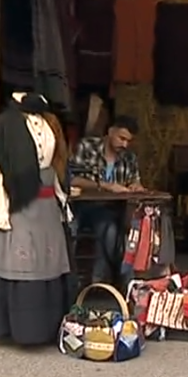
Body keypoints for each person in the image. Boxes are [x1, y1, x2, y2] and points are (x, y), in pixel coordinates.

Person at [0, 92, 74, 346]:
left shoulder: (51, 122)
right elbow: (0, 170)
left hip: (48, 205)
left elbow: (58, 165)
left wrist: (63, 201)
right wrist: (1, 212)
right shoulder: (8, 124)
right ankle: (21, 330)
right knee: (22, 263)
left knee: (49, 262)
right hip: (19, 204)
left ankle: (51, 328)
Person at [69, 115, 144, 283]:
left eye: (128, 141)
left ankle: (102, 280)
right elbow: (73, 179)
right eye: (121, 138)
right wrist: (105, 186)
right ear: (110, 132)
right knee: (70, 229)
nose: (124, 144)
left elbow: (135, 181)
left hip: (109, 209)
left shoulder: (129, 157)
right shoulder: (87, 147)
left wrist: (135, 186)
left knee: (111, 231)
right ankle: (72, 281)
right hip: (81, 207)